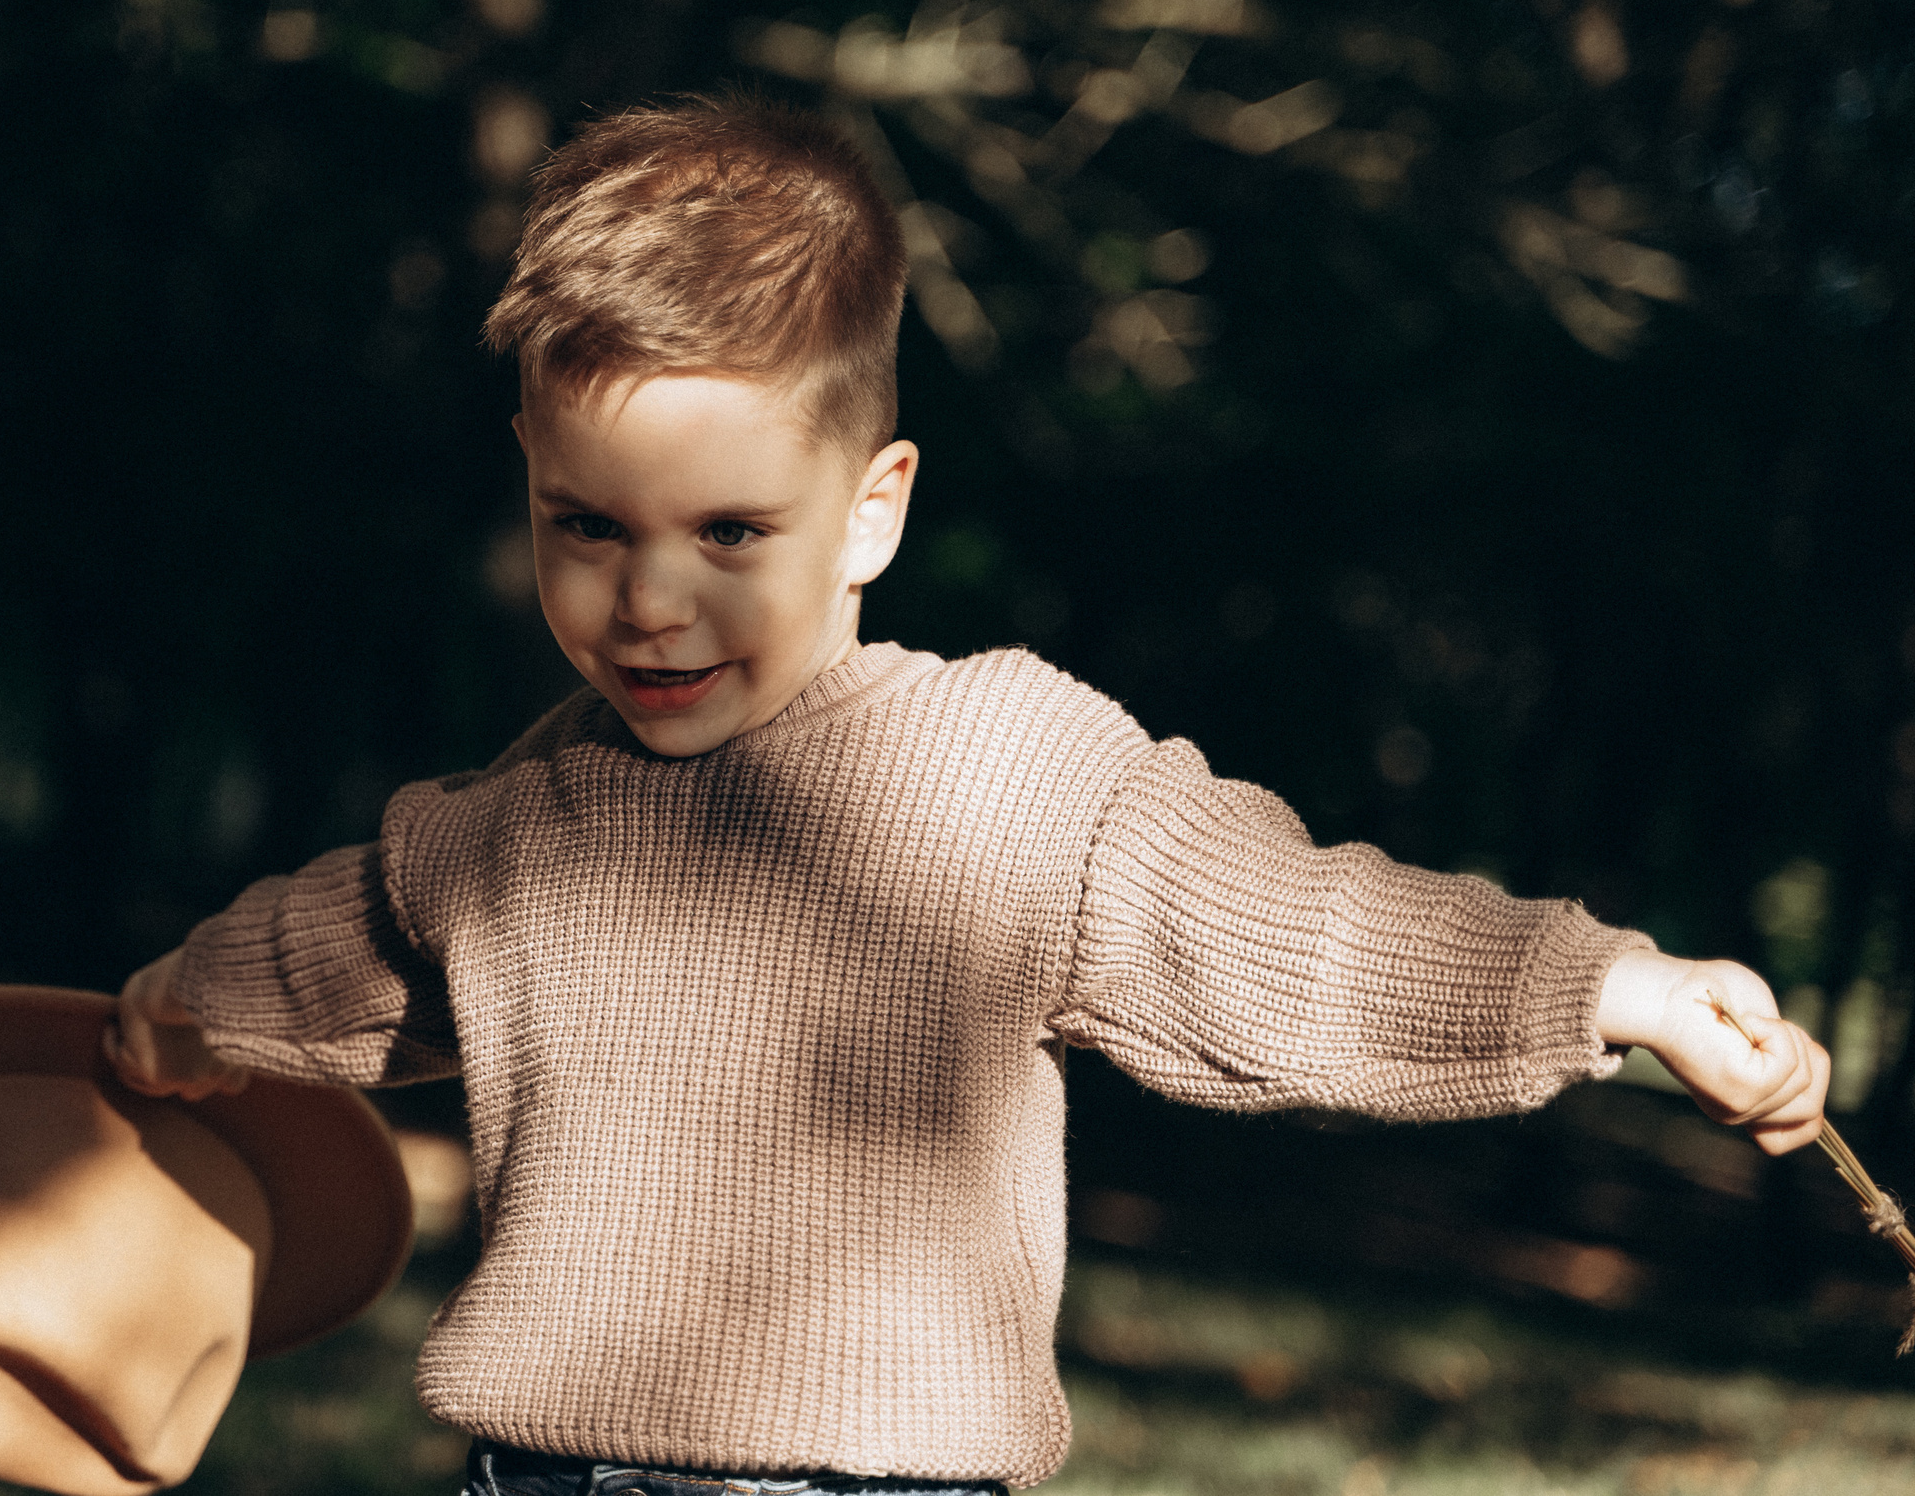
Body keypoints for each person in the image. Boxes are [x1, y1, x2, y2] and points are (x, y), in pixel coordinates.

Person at [107, 95, 1828, 1494]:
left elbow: (1301, 938)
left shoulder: (1013, 776)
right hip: (545, 1472)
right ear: (532, 488)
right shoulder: (514, 821)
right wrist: (183, 1012)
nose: (649, 599)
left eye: (729, 533)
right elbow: (342, 950)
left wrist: (1610, 986)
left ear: (873, 508)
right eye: (590, 525)